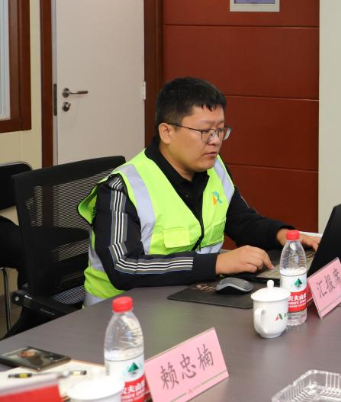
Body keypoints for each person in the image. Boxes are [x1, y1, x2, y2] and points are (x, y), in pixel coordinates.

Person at [79, 77, 319, 305]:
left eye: (220, 130)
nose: (215, 141)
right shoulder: (122, 188)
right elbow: (124, 267)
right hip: (118, 316)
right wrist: (216, 263)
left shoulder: (214, 169)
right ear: (167, 132)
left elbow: (242, 221)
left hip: (185, 300)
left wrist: (283, 235)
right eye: (205, 132)